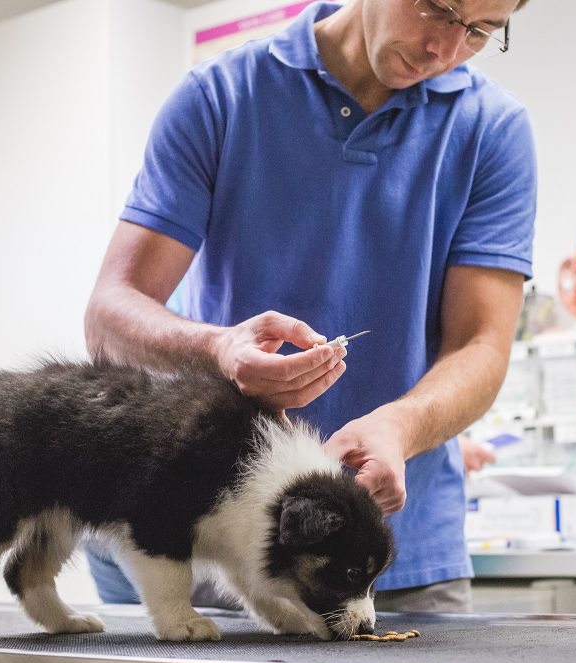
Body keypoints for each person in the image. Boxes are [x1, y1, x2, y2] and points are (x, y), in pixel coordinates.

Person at [84, 0, 536, 613]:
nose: (445, 49)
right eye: (436, 8)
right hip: (222, 548)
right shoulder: (220, 97)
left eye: (482, 30)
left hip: (400, 559)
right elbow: (109, 315)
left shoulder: (492, 130)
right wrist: (217, 349)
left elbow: (481, 347)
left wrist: (399, 428)